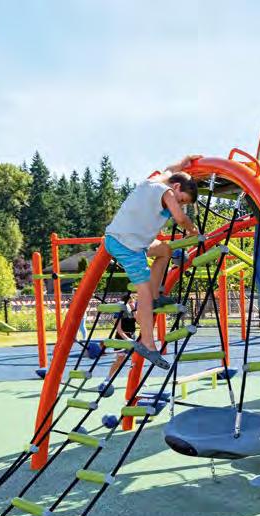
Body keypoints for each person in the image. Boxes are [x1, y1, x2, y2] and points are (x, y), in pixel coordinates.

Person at [102, 155, 201, 369]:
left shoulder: (158, 179)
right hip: (127, 246)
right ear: (176, 187)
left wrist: (185, 161)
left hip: (130, 239)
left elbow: (170, 168)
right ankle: (148, 343)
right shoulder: (166, 192)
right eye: (182, 200)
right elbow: (180, 219)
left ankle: (155, 297)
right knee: (143, 292)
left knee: (164, 250)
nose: (180, 204)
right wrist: (193, 230)